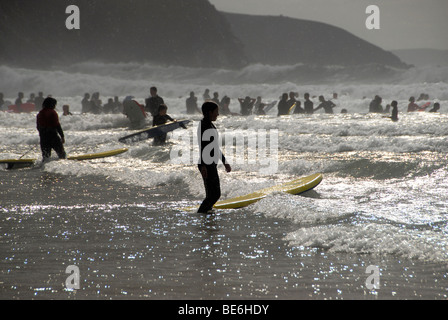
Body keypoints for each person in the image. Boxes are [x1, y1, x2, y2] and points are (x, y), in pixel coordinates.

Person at [197, 101, 231, 214]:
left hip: (209, 162)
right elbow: (203, 146)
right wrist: (203, 166)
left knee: (212, 194)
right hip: (206, 163)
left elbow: (215, 146)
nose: (218, 114)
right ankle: (201, 214)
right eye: (216, 112)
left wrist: (224, 161)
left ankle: (206, 215)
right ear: (210, 112)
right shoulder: (205, 125)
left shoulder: (208, 124)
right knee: (214, 195)